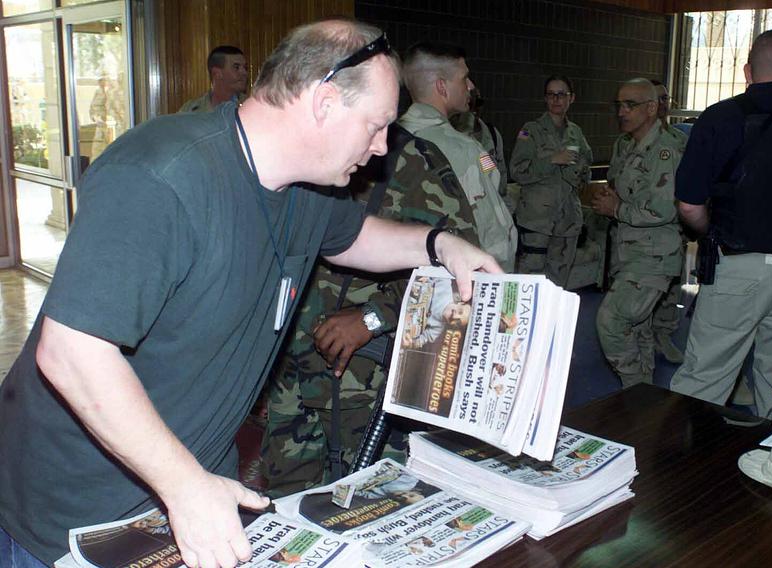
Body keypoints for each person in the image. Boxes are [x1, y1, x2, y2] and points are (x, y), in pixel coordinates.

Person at [0, 19, 498, 568]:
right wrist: (185, 485)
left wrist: (439, 244)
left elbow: (353, 237)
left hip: (192, 492)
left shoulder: (305, 185)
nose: (382, 148)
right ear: (325, 102)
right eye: (376, 125)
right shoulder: (162, 174)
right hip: (76, 512)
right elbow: (70, 351)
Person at [263, 120, 482, 496]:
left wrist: (373, 316)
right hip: (289, 372)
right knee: (287, 500)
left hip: (362, 384)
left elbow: (459, 272)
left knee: (368, 504)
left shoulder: (410, 158)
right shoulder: (295, 152)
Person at [669, 29, 772, 418]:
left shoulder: (718, 117)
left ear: (747, 71)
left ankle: (681, 469)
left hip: (735, 266)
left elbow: (688, 205)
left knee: (705, 379)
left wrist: (708, 231)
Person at [591, 78, 684, 388]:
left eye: (630, 105)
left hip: (654, 255)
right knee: (638, 327)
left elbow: (663, 209)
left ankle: (632, 383)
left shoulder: (665, 151)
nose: (622, 111)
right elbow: (626, 190)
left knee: (611, 321)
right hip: (630, 251)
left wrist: (616, 209)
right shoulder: (630, 145)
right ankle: (642, 398)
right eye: (619, 104)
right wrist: (610, 200)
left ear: (651, 108)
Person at [398, 42, 517, 271]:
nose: (471, 86)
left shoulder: (384, 141)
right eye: (464, 78)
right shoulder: (466, 150)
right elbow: (495, 234)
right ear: (442, 87)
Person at [510, 75, 592, 287]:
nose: (556, 99)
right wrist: (552, 160)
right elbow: (517, 171)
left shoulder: (576, 132)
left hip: (568, 221)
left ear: (571, 98)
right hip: (537, 221)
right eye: (551, 94)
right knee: (529, 285)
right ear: (545, 99)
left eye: (561, 94)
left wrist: (580, 173)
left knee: (558, 284)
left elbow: (586, 168)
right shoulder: (531, 130)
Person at [648, 79, 688, 364]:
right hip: (639, 231)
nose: (663, 104)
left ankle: (663, 335)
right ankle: (643, 339)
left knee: (671, 286)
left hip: (672, 227)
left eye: (666, 98)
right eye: (657, 99)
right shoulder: (627, 141)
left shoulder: (679, 140)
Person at [451, 87, 508, 198]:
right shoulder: (451, 136)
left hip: (489, 204)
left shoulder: (492, 134)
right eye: (469, 103)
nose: (474, 109)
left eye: (478, 103)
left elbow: (499, 175)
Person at [179, 45, 249, 113]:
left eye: (245, 67)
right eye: (236, 67)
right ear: (217, 73)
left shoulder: (252, 106)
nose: (244, 73)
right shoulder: (190, 110)